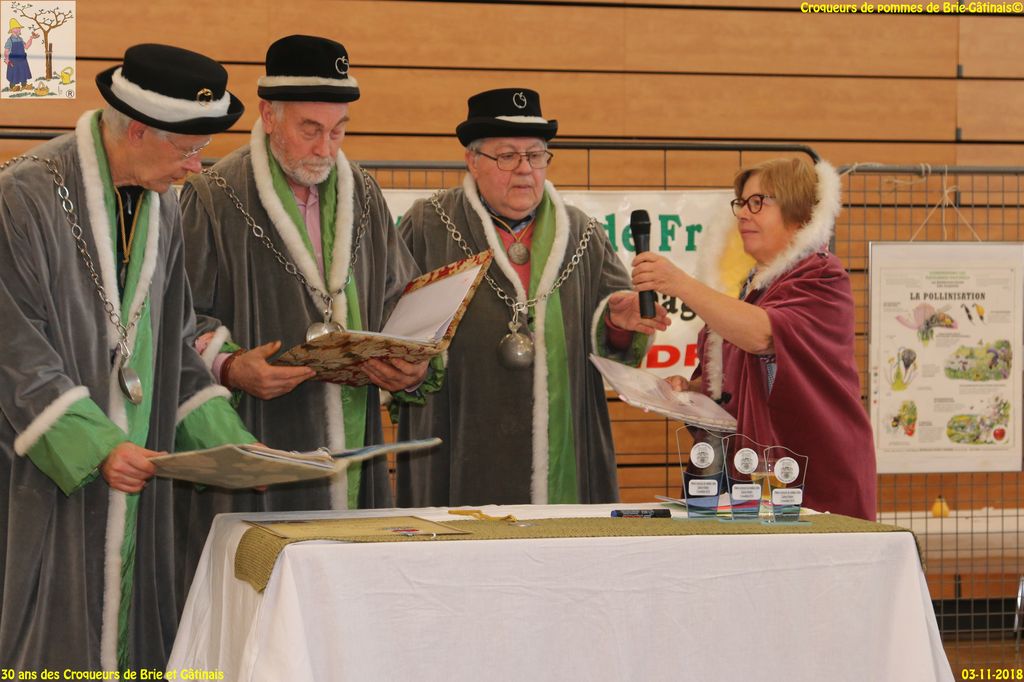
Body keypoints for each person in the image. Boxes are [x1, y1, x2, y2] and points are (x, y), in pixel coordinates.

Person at [0, 44, 256, 671]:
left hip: (136, 478)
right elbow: (14, 349)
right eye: (187, 148)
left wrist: (232, 448)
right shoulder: (23, 196)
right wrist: (96, 447)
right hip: (43, 478)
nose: (196, 167)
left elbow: (174, 341)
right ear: (137, 128)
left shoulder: (160, 201)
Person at [176, 34, 424, 583]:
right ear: (268, 114)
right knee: (264, 600)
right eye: (310, 129)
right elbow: (179, 315)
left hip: (355, 440)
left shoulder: (364, 193)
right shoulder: (215, 195)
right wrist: (230, 365)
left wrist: (412, 360)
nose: (325, 148)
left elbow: (398, 299)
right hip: (260, 433)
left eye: (338, 131)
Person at [396, 88, 668, 506]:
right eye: (507, 155)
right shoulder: (428, 225)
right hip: (458, 436)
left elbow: (613, 347)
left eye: (536, 155)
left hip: (564, 448)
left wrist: (617, 323)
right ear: (472, 160)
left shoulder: (582, 234)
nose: (525, 169)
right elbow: (392, 325)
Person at [631, 157, 877, 519]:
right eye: (742, 203)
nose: (744, 214)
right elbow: (743, 381)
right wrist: (692, 390)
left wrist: (679, 283)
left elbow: (763, 336)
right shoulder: (755, 286)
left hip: (808, 478)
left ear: (798, 212)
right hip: (749, 476)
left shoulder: (823, 277)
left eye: (758, 202)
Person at [3, 18, 36, 92]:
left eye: (19, 28)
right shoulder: (10, 40)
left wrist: (31, 38)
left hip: (22, 60)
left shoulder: (20, 39)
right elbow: (6, 51)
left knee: (23, 72)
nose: (19, 29)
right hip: (14, 61)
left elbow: (26, 46)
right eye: (17, 28)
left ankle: (24, 85)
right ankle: (12, 87)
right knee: (14, 74)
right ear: (12, 30)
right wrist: (7, 60)